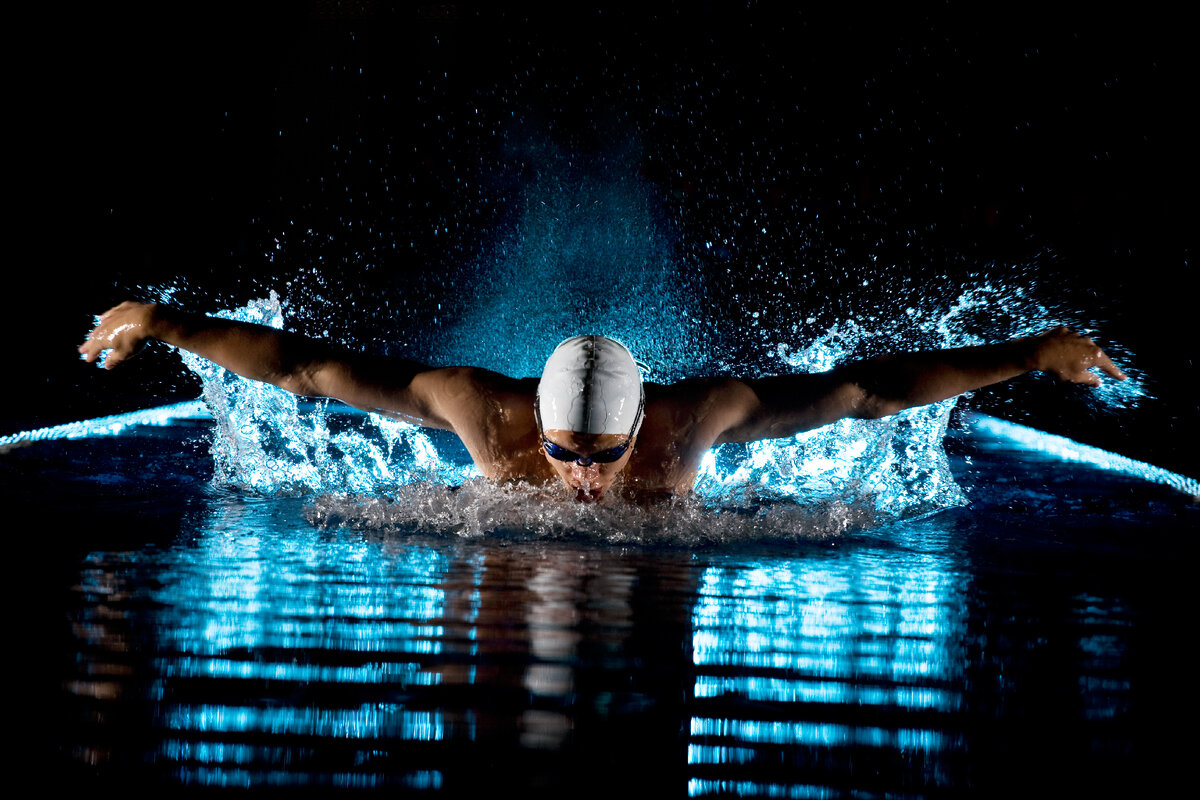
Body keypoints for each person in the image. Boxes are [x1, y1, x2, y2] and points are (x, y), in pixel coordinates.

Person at [80, 301, 1126, 502]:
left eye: (600, 454)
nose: (579, 476)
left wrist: (1032, 351)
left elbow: (863, 391)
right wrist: (167, 324)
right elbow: (308, 367)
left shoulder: (690, 426)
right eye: (566, 450)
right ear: (533, 418)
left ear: (640, 425)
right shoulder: (480, 413)